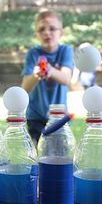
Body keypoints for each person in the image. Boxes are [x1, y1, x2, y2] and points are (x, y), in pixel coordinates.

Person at [21, 10, 74, 145]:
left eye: (52, 28)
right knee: (40, 154)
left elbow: (66, 79)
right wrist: (36, 75)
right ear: (36, 35)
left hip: (60, 116)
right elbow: (25, 88)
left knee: (60, 155)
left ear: (61, 33)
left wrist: (51, 71)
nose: (46, 32)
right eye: (41, 29)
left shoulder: (65, 51)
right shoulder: (33, 54)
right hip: (36, 117)